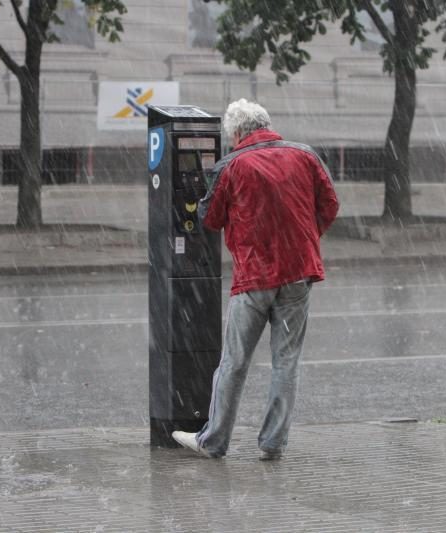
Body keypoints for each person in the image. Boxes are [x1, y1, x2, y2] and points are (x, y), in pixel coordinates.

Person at [172, 99, 339, 460]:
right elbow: (329, 204)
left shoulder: (231, 165)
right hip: (298, 275)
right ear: (266, 124)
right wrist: (305, 238)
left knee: (233, 363)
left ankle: (213, 441)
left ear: (236, 133)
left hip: (254, 277)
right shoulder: (304, 155)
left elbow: (210, 217)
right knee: (286, 362)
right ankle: (273, 443)